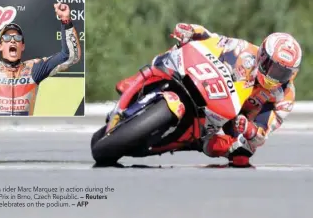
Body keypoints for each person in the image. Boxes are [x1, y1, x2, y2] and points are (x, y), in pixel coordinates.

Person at [116, 23, 302, 165]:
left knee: (241, 155)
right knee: (182, 48)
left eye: (281, 73)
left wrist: (249, 129)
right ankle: (139, 79)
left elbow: (263, 132)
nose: (273, 75)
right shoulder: (243, 50)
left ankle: (192, 141)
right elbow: (210, 39)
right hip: (212, 87)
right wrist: (191, 30)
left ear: (291, 74)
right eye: (271, 67)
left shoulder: (285, 96)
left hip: (235, 120)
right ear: (262, 56)